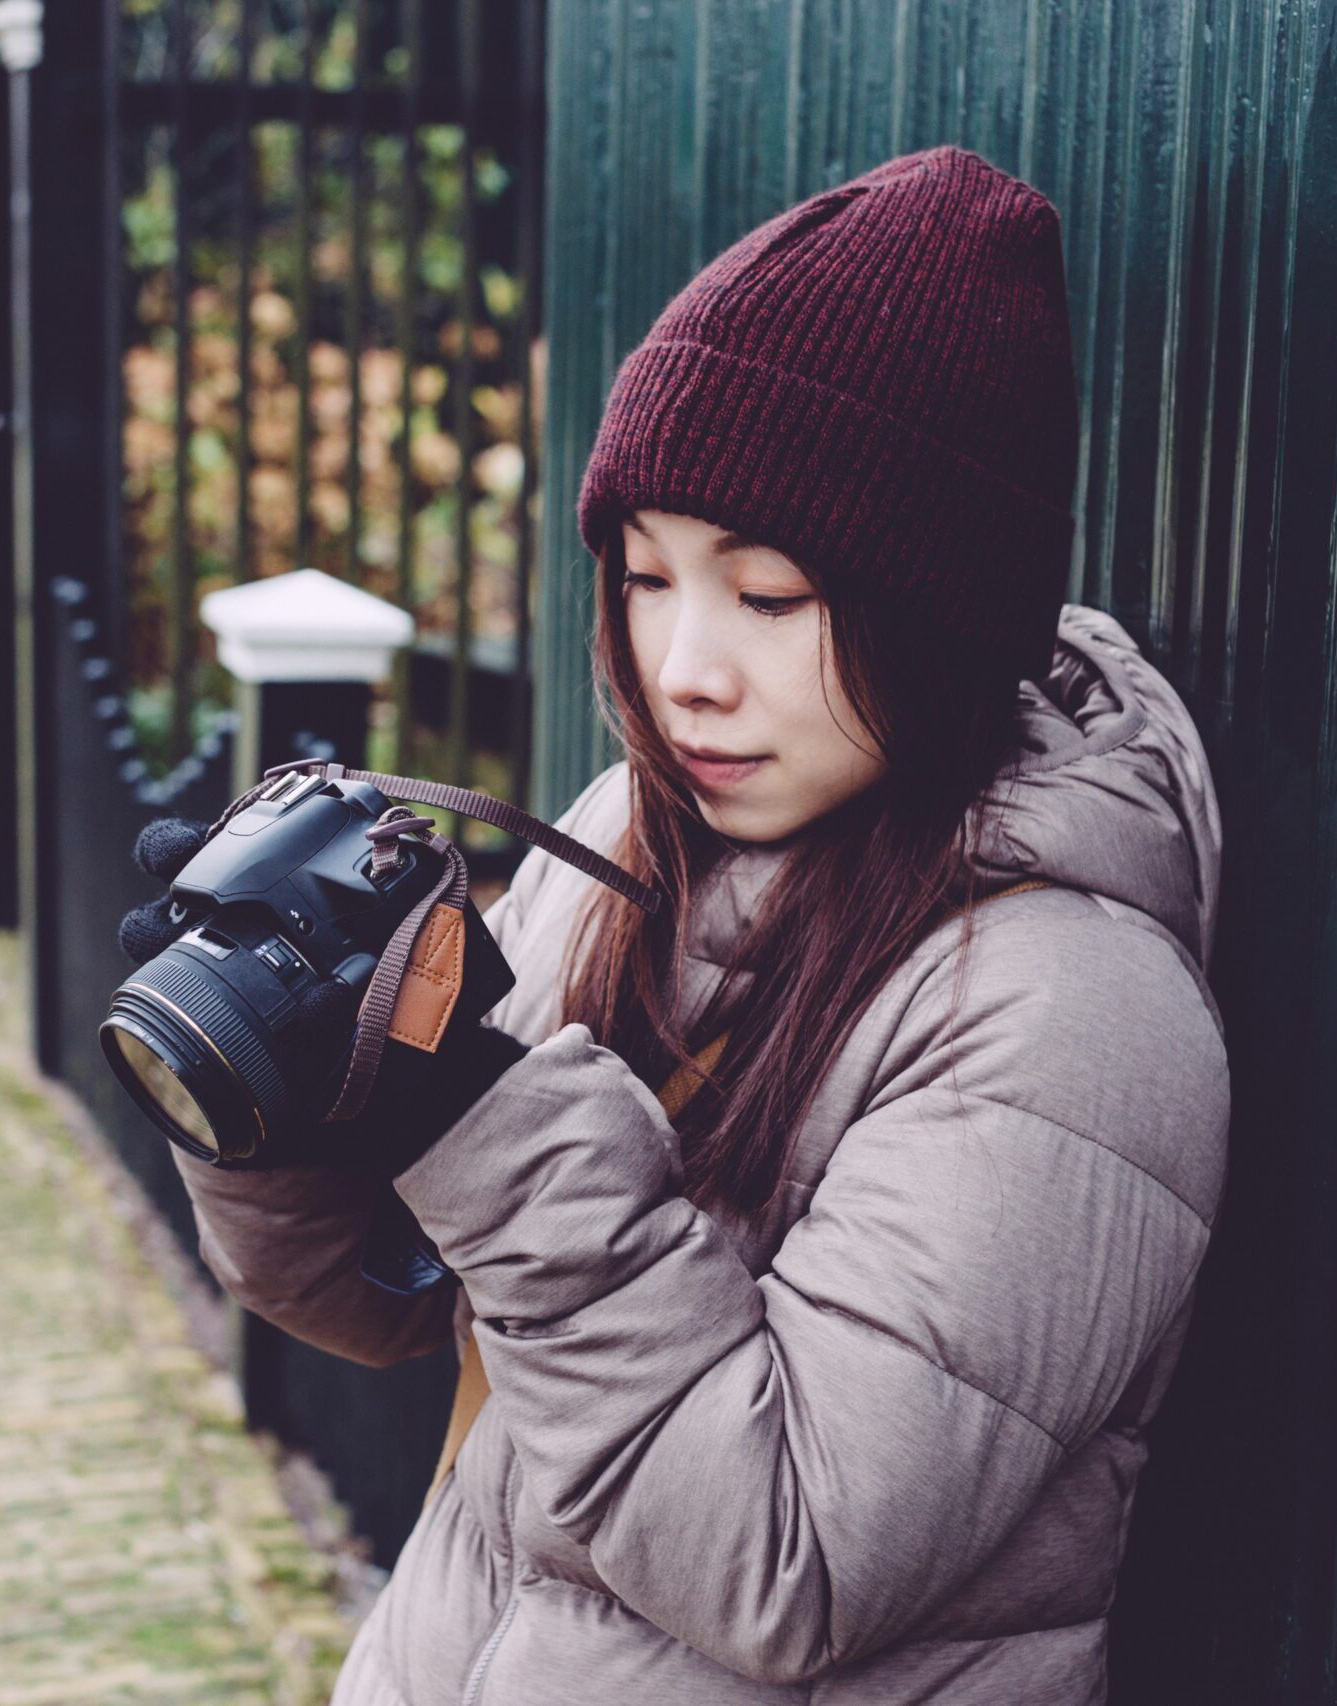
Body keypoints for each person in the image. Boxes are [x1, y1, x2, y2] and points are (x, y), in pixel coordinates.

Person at [127, 144, 1230, 1705]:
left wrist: (487, 1115)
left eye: (766, 596)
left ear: (945, 608)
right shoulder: (622, 835)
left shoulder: (1070, 1011)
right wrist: (282, 1085)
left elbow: (786, 1559)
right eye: (646, 577)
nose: (684, 668)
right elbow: (403, 1304)